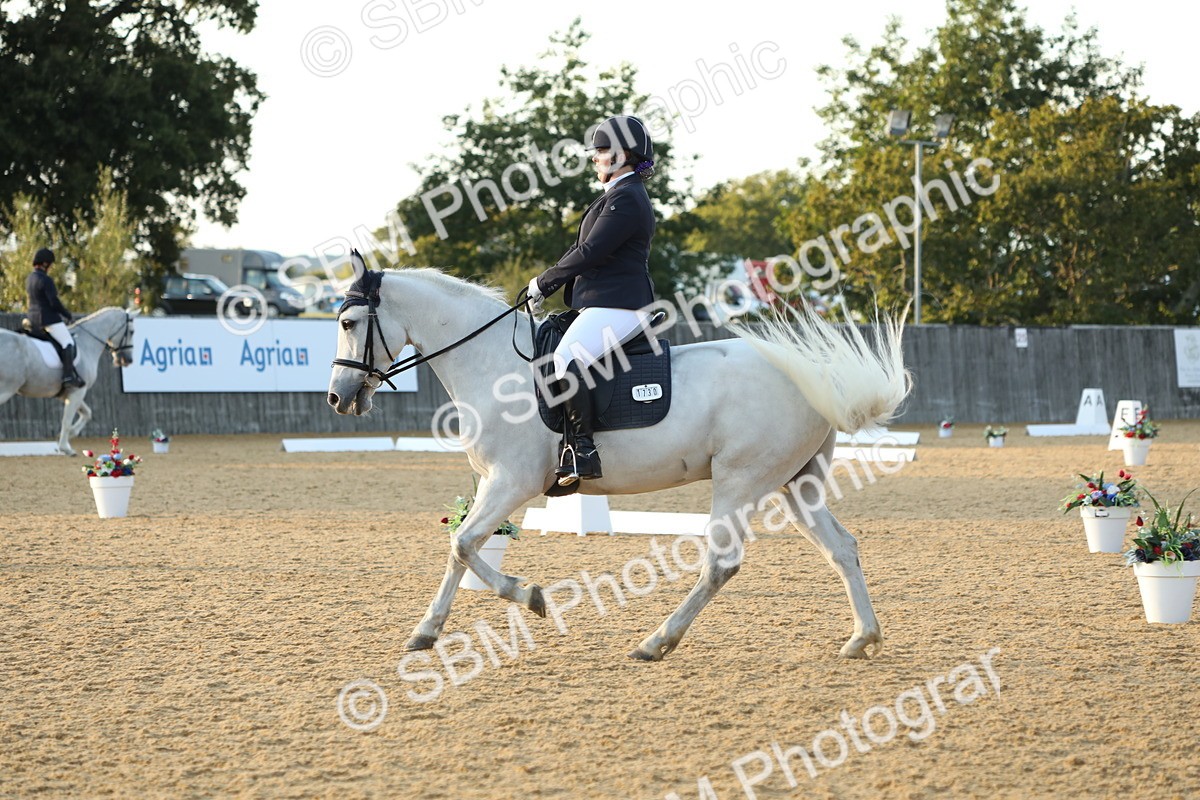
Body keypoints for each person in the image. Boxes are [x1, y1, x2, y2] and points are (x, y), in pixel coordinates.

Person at [527, 115, 658, 486]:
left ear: (620, 156)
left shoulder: (626, 198)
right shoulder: (616, 196)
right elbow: (580, 248)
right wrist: (542, 282)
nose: (594, 158)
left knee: (567, 358)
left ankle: (582, 451)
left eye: (600, 151)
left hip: (620, 303)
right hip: (606, 303)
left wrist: (545, 283)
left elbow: (590, 251)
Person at [26, 247, 86, 389]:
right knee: (68, 342)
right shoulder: (46, 280)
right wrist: (67, 314)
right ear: (45, 264)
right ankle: (68, 376)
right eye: (50, 265)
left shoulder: (29, 278)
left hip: (32, 319)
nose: (51, 268)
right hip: (48, 320)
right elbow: (53, 301)